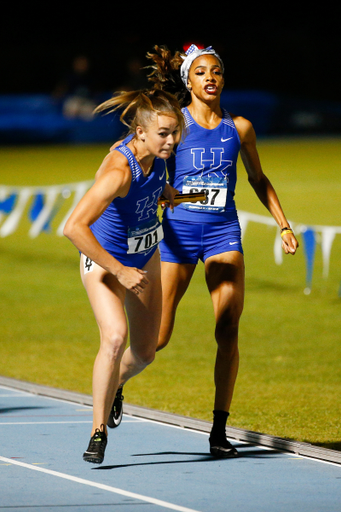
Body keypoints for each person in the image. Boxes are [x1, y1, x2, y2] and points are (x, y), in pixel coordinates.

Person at [145, 44, 299, 459]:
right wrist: (159, 193)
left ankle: (218, 429)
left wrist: (284, 224)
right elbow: (144, 168)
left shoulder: (241, 128)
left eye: (215, 71)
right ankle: (117, 383)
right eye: (200, 72)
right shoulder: (173, 125)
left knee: (228, 329)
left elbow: (258, 178)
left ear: (223, 79)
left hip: (223, 234)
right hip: (178, 235)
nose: (209, 77)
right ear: (188, 82)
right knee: (157, 338)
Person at [63, 88, 184, 464]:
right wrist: (118, 270)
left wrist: (165, 191)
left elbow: (150, 184)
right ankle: (98, 432)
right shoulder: (118, 171)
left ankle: (114, 385)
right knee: (114, 338)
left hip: (144, 256)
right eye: (164, 133)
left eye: (176, 132)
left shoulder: (159, 156)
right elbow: (73, 228)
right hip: (104, 262)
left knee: (146, 352)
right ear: (141, 132)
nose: (172, 140)